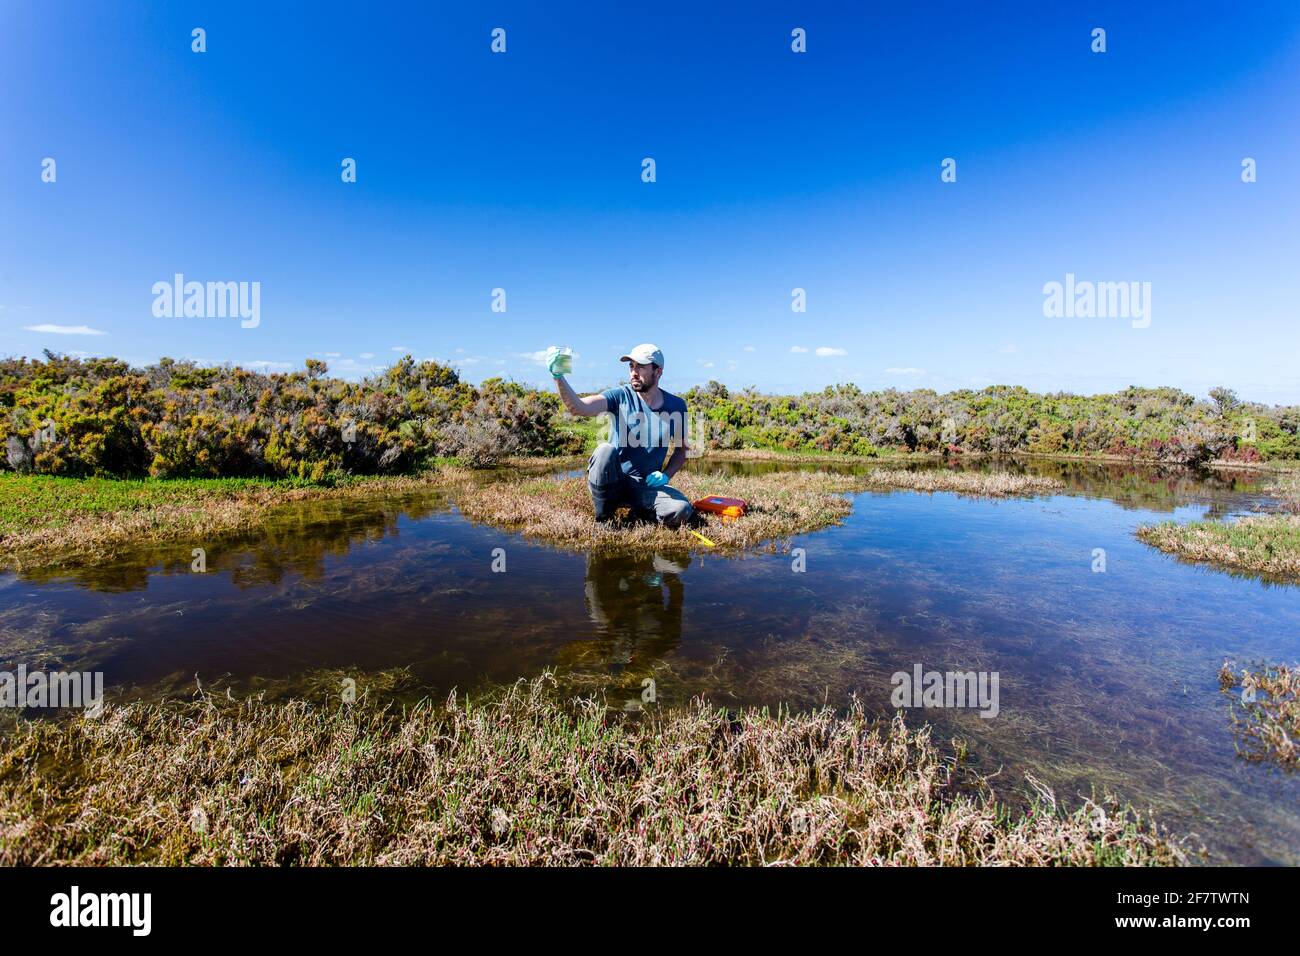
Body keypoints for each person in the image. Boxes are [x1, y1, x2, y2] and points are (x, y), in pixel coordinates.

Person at [548, 343, 694, 529]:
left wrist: (665, 476)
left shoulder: (677, 406)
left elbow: (681, 451)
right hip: (614, 482)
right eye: (631, 366)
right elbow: (579, 408)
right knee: (604, 451)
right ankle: (604, 518)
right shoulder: (619, 396)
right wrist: (558, 377)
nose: (634, 372)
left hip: (646, 486)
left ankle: (641, 509)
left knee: (681, 509)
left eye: (640, 366)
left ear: (658, 372)